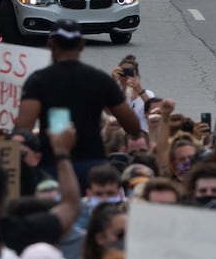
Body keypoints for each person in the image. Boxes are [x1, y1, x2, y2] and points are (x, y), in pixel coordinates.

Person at [15, 21, 143, 186]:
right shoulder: (100, 80)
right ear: (82, 45)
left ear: (51, 44)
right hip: (93, 166)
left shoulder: (38, 81)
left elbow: (23, 129)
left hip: (52, 165)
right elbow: (133, 127)